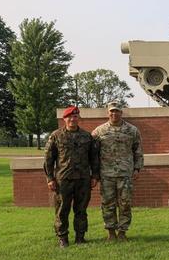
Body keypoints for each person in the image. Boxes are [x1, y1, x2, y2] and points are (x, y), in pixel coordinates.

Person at [44, 106, 99, 248]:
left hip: (83, 179)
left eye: (75, 116)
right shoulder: (56, 136)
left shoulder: (87, 136)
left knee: (81, 210)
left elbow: (94, 158)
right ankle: (63, 238)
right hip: (63, 180)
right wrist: (50, 178)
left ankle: (80, 237)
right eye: (70, 117)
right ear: (64, 119)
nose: (73, 119)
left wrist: (95, 176)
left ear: (78, 118)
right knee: (62, 210)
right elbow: (49, 159)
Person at [92, 101, 143, 241]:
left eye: (117, 111)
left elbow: (138, 151)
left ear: (121, 112)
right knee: (108, 203)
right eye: (111, 111)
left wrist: (137, 168)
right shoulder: (99, 131)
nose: (114, 114)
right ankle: (111, 232)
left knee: (125, 203)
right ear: (108, 113)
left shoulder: (132, 130)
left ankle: (122, 232)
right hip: (106, 174)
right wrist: (95, 174)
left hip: (125, 174)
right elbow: (93, 154)